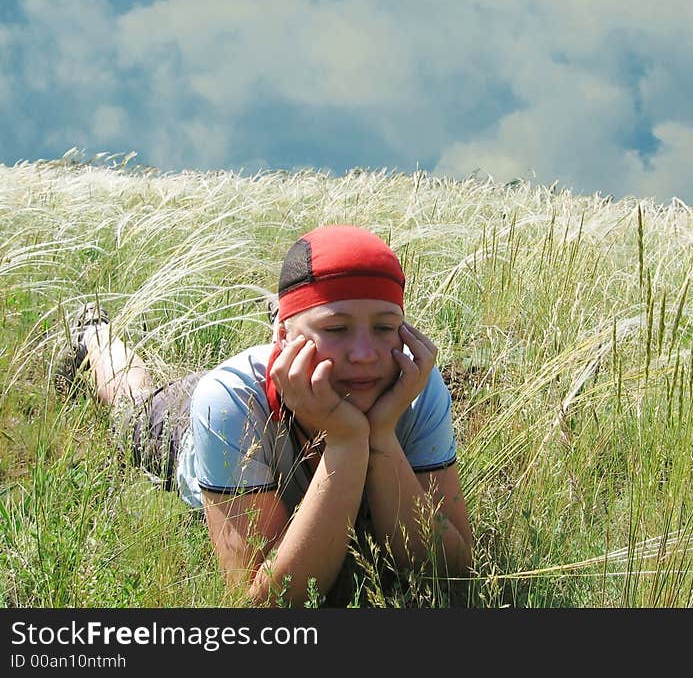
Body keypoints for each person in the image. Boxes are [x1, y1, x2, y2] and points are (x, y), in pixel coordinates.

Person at [64, 224, 473, 607]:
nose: (364, 355)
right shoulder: (227, 403)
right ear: (283, 336)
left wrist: (380, 436)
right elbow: (265, 604)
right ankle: (96, 337)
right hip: (196, 417)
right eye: (336, 329)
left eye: (385, 328)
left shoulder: (416, 389)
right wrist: (347, 443)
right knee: (131, 404)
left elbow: (452, 575)